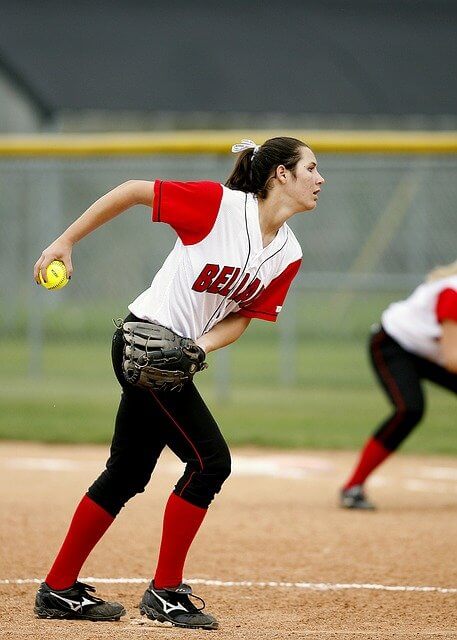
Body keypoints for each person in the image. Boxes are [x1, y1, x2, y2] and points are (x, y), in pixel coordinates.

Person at [32, 137, 325, 628]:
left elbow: (243, 317)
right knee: (211, 462)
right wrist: (64, 241)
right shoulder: (218, 206)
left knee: (128, 473)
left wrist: (197, 349)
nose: (320, 179)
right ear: (281, 174)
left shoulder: (289, 252)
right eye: (311, 168)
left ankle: (58, 589)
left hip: (173, 359)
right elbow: (130, 190)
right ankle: (165, 592)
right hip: (141, 342)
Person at [340, 261, 457, 510]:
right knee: (409, 409)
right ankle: (353, 486)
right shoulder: (452, 293)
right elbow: (452, 360)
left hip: (427, 352)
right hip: (393, 343)